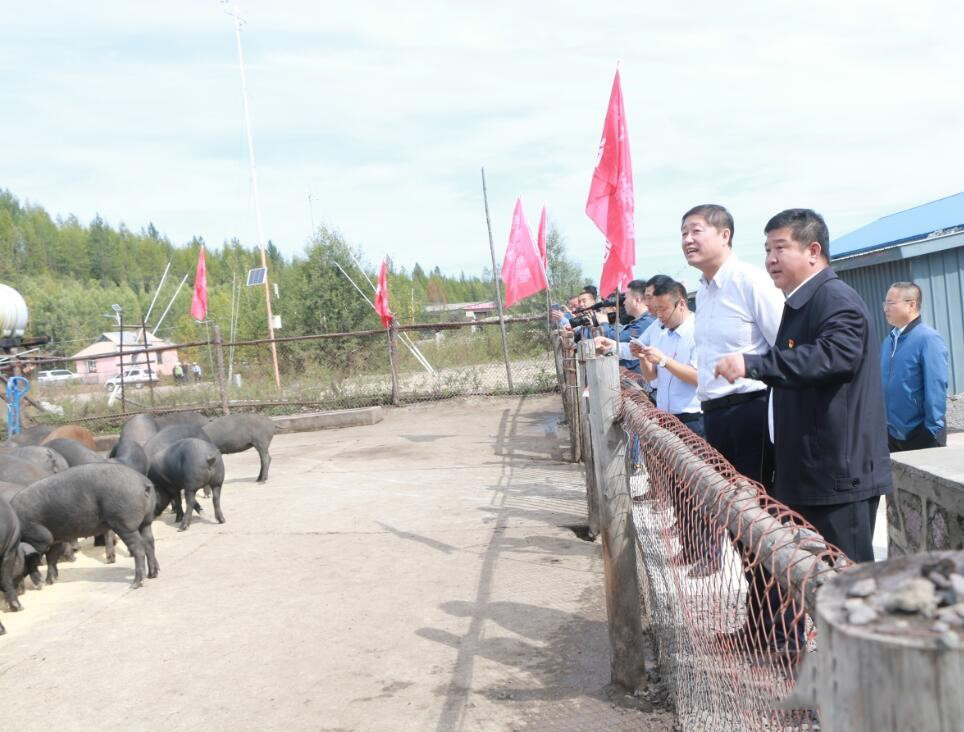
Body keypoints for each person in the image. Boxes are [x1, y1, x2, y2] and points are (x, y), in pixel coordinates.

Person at [715, 208, 892, 565]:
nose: (770, 259)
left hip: (838, 479)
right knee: (814, 583)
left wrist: (753, 364)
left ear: (813, 251)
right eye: (767, 250)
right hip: (810, 476)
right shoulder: (801, 303)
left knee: (848, 583)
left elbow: (829, 357)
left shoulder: (835, 300)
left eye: (780, 248)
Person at [880, 281, 949, 451]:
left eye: (891, 303)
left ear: (911, 304)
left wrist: (931, 429)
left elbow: (936, 387)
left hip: (921, 435)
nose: (885, 308)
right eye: (885, 303)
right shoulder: (888, 342)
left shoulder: (928, 339)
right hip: (892, 434)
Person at [631, 279, 702, 435]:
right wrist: (642, 357)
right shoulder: (663, 333)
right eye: (656, 309)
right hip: (665, 416)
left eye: (663, 309)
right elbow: (651, 377)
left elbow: (699, 377)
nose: (659, 315)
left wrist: (664, 360)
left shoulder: (698, 331)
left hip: (692, 418)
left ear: (681, 304)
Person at [590, 279, 656, 374]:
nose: (624, 302)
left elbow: (619, 339)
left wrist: (604, 324)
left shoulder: (647, 321)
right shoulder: (640, 321)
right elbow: (625, 346)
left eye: (626, 298)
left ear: (637, 299)